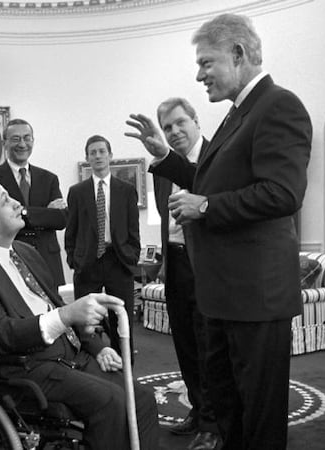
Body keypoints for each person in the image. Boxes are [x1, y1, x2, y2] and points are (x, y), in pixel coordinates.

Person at [126, 13, 312, 449]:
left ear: (239, 53)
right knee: (229, 414)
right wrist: (165, 157)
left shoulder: (278, 105)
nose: (199, 74)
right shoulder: (236, 115)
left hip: (256, 298)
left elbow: (282, 193)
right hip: (225, 297)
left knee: (259, 422)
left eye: (206, 63)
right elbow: (211, 182)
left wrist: (205, 206)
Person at [0, 179, 161, 450]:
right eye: (4, 200)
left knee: (142, 398)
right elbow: (1, 336)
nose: (17, 203)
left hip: (70, 355)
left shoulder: (26, 253)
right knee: (112, 401)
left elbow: (53, 306)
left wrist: (97, 347)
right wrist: (68, 316)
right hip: (24, 368)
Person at [150, 98, 220, 450]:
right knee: (185, 343)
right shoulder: (163, 171)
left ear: (196, 121)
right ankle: (196, 410)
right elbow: (167, 221)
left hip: (206, 265)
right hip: (176, 264)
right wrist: (164, 259)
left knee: (209, 345)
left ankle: (212, 424)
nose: (174, 132)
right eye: (167, 128)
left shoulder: (215, 159)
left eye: (180, 123)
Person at [65, 135, 140, 358]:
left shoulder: (125, 189)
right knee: (87, 324)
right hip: (88, 263)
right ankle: (92, 367)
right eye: (93, 152)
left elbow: (133, 228)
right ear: (87, 157)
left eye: (101, 151)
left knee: (122, 321)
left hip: (118, 260)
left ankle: (125, 370)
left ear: (110, 155)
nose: (97, 156)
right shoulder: (77, 192)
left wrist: (132, 256)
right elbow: (72, 230)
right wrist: (73, 259)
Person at [0, 118, 68, 285]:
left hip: (47, 260)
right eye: (15, 139)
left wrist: (19, 212)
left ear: (33, 141)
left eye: (27, 138)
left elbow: (60, 219)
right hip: (10, 259)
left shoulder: (49, 179)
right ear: (4, 143)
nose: (22, 144)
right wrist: (42, 213)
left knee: (54, 309)